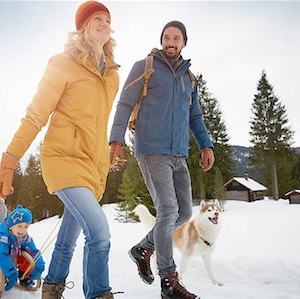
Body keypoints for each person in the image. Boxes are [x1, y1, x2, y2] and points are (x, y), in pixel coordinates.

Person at [0, 1, 119, 298]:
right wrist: (9, 162)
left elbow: (103, 121)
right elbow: (36, 114)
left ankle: (51, 288)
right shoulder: (62, 63)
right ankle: (99, 293)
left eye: (107, 19)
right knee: (99, 233)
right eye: (97, 18)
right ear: (83, 27)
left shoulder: (111, 75)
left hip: (93, 166)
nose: (104, 23)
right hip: (62, 159)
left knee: (67, 237)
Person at [109, 20, 215, 299]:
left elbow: (195, 117)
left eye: (176, 38)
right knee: (168, 208)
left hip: (179, 153)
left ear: (184, 43)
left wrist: (206, 145)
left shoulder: (189, 78)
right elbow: (125, 104)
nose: (171, 42)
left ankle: (143, 248)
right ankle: (168, 281)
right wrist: (116, 140)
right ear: (161, 40)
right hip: (151, 148)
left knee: (184, 213)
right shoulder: (145, 67)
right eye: (167, 37)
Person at [0, 205, 45, 299]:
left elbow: (34, 251)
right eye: (19, 226)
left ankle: (24, 278)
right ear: (11, 225)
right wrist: (12, 273)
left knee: (27, 258)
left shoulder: (25, 238)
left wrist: (39, 265)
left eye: (26, 226)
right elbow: (0, 255)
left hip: (10, 255)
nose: (22, 230)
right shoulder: (2, 237)